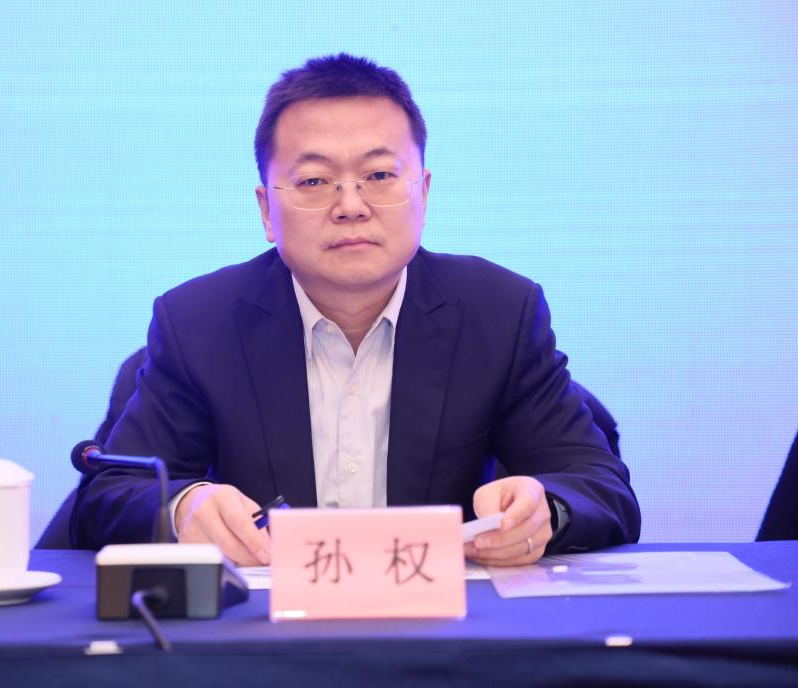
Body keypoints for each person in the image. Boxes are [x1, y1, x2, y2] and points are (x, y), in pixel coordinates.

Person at [71, 53, 641, 567]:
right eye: (314, 180)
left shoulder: (498, 313)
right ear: (267, 211)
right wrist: (182, 507)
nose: (351, 205)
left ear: (423, 193)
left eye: (379, 175)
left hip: (441, 629)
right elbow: (107, 497)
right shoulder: (199, 323)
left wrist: (546, 511)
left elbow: (598, 485)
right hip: (263, 632)